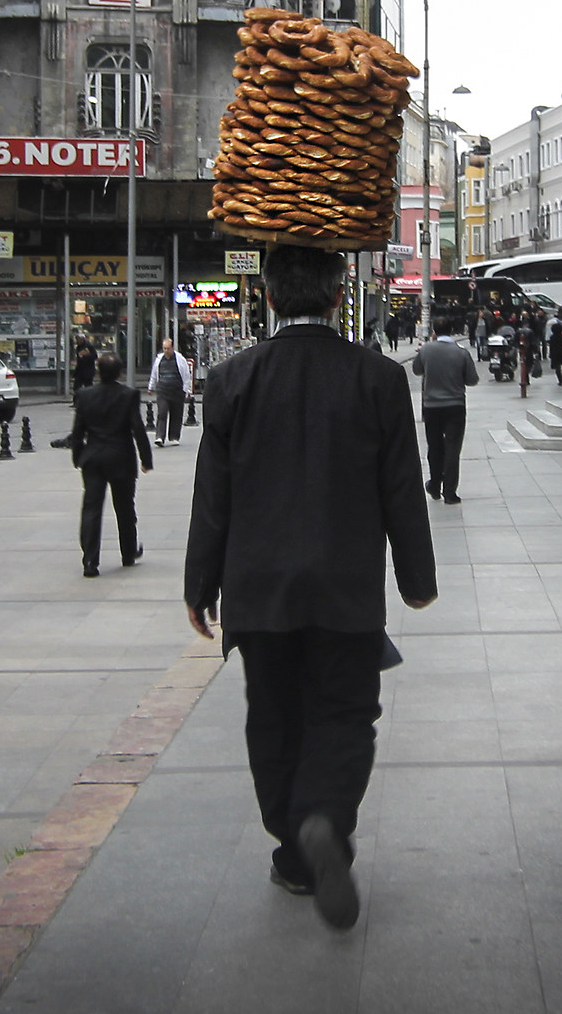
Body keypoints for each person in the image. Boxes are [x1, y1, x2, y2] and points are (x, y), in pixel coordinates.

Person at [186, 245, 437, 932]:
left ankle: (293, 850)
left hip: (258, 589)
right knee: (344, 714)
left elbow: (214, 494)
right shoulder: (378, 378)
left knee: (273, 716)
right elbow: (401, 490)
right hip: (345, 587)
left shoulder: (232, 377)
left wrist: (198, 584)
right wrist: (417, 579)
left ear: (267, 297)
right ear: (337, 297)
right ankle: (323, 817)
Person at [68, 352, 152, 577]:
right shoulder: (129, 395)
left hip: (93, 459)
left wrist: (78, 457)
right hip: (120, 458)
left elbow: (78, 432)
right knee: (125, 507)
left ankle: (90, 561)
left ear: (98, 372)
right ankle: (128, 552)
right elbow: (138, 429)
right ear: (120, 373)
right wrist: (146, 460)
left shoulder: (84, 396)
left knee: (91, 510)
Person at [411, 318, 478, 505]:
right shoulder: (461, 353)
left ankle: (434, 484)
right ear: (451, 330)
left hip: (431, 407)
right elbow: (472, 380)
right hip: (455, 407)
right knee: (452, 448)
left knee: (434, 447)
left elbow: (416, 370)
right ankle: (450, 492)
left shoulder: (426, 350)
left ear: (434, 330)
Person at [148, 335, 194, 446]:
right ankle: (159, 437)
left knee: (176, 413)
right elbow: (154, 374)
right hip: (163, 390)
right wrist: (151, 387)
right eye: (164, 348)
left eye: (168, 348)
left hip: (177, 391)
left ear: (172, 347)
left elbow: (186, 375)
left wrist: (186, 390)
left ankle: (174, 436)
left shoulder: (180, 359)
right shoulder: (159, 359)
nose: (166, 351)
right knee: (162, 413)